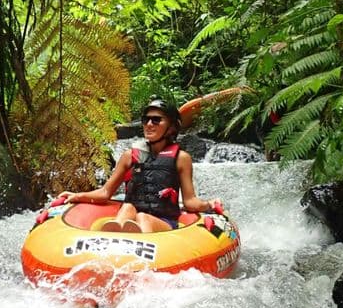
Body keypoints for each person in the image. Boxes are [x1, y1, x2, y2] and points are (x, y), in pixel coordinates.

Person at [58, 99, 222, 233]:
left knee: (143, 217)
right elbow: (105, 192)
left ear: (171, 127)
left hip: (164, 222)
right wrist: (77, 196)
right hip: (131, 217)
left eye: (156, 120)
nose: (149, 124)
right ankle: (112, 238)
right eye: (146, 120)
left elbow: (190, 201)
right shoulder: (129, 156)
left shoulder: (181, 158)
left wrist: (209, 205)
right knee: (128, 207)